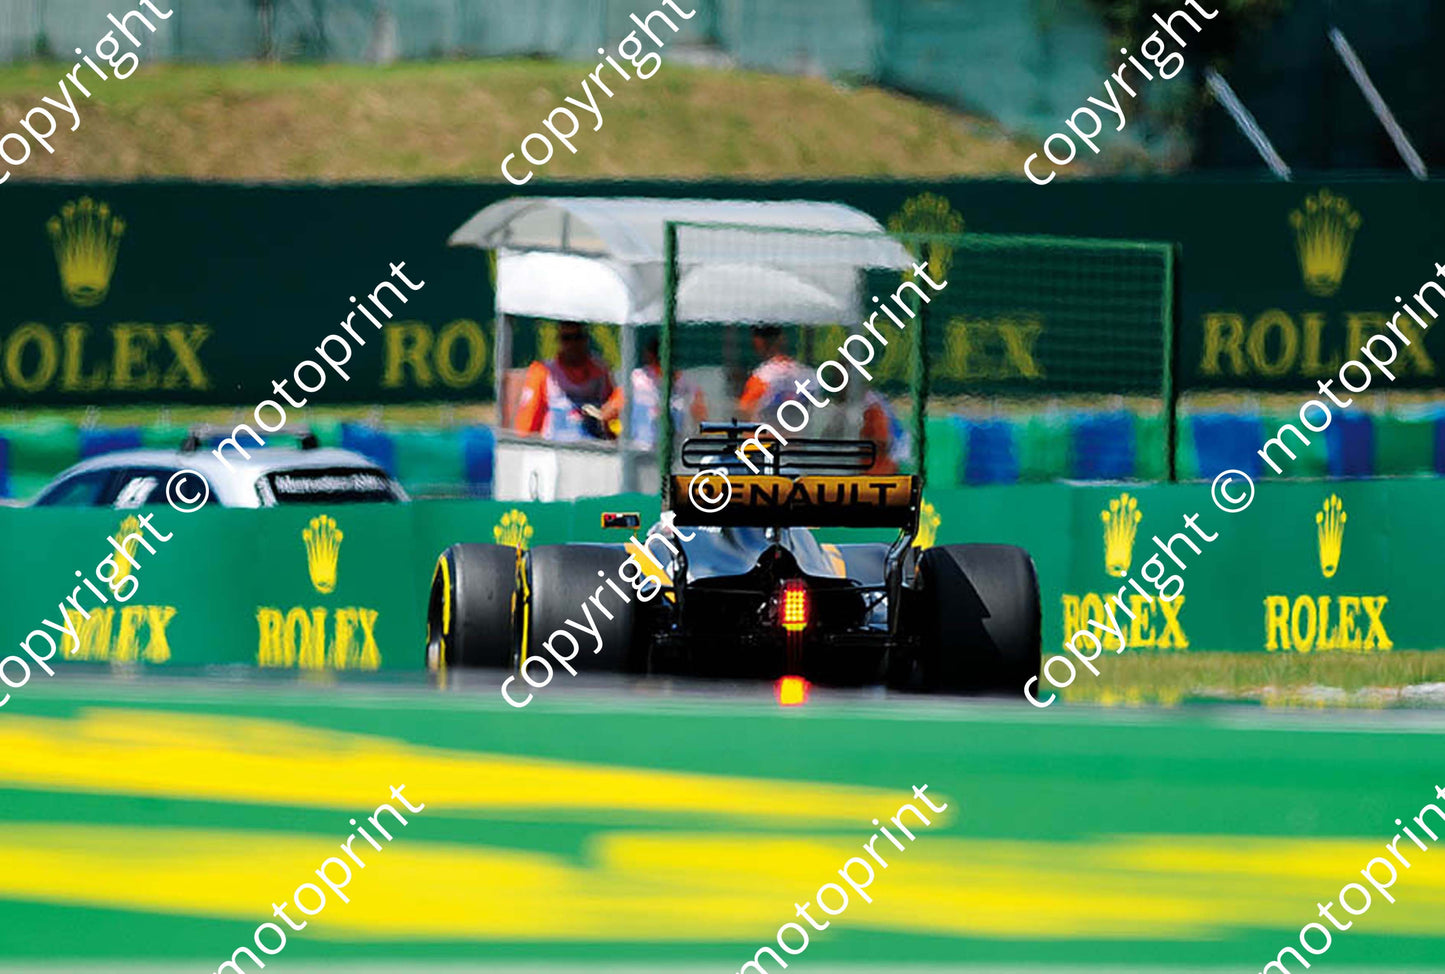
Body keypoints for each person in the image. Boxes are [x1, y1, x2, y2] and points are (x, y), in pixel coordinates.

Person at [513, 321, 616, 440]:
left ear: (586, 339)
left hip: (593, 447)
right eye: (567, 338)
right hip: (554, 447)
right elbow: (526, 426)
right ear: (559, 341)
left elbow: (612, 412)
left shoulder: (600, 371)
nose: (573, 344)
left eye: (578, 337)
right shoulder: (544, 373)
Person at [600, 336, 707, 448]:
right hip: (640, 451)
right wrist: (616, 443)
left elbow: (702, 420)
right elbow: (608, 414)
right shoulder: (637, 380)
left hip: (672, 453)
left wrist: (694, 447)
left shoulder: (686, 385)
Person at [738, 325, 808, 421]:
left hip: (764, 434)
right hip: (795, 435)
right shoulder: (803, 374)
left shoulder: (763, 376)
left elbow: (745, 410)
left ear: (758, 342)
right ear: (782, 339)